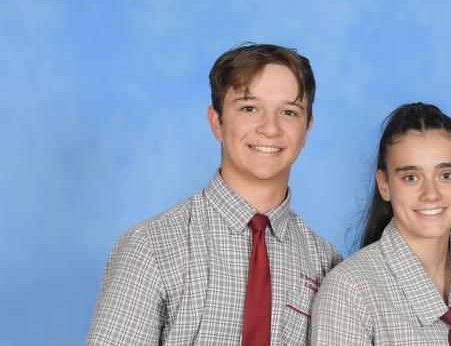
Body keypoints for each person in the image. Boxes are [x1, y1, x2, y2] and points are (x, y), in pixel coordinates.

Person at [86, 43, 342, 345]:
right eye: (249, 108)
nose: (270, 128)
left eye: (288, 112)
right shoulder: (150, 247)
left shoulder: (327, 264)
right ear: (216, 122)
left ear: (307, 129)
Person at [311, 102, 451, 345]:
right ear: (384, 185)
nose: (431, 194)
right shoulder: (350, 292)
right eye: (411, 177)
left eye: (446, 175)